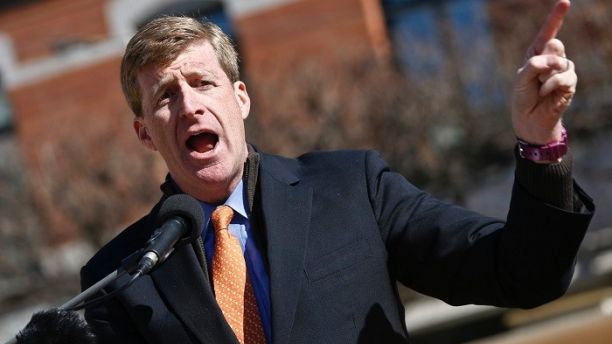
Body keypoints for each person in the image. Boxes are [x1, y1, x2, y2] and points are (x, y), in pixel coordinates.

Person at [80, 1, 594, 343]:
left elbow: (523, 274)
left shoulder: (352, 188)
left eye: (203, 83)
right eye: (165, 96)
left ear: (241, 98)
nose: (190, 105)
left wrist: (540, 142)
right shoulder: (117, 276)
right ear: (145, 132)